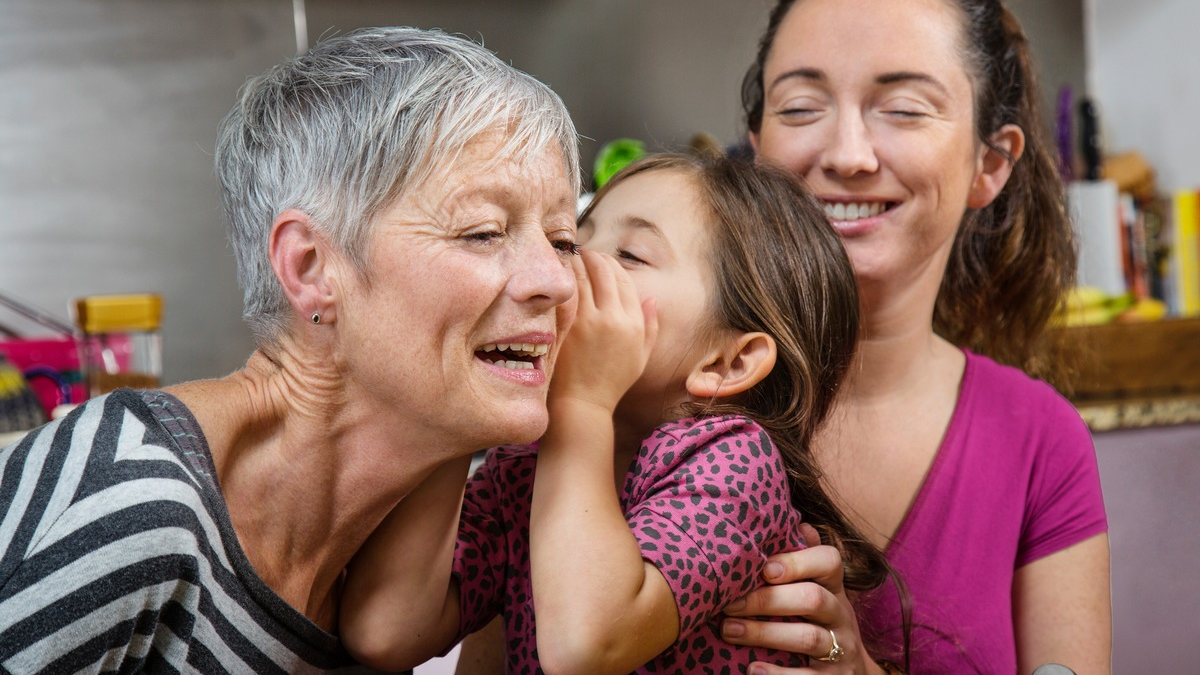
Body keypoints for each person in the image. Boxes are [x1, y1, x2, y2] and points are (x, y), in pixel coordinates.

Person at [0, 27, 582, 673]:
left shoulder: (389, 579)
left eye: (563, 240)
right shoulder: (130, 497)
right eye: (482, 231)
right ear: (310, 268)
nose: (555, 280)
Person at [339, 152, 893, 674]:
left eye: (629, 256)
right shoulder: (524, 464)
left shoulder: (733, 458)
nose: (568, 270)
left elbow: (585, 646)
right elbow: (385, 631)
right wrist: (460, 410)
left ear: (728, 361)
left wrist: (582, 404)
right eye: (569, 242)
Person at [716, 0, 1111, 673]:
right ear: (757, 149)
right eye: (801, 107)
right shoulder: (649, 392)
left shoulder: (1041, 440)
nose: (847, 155)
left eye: (902, 109)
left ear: (990, 163)